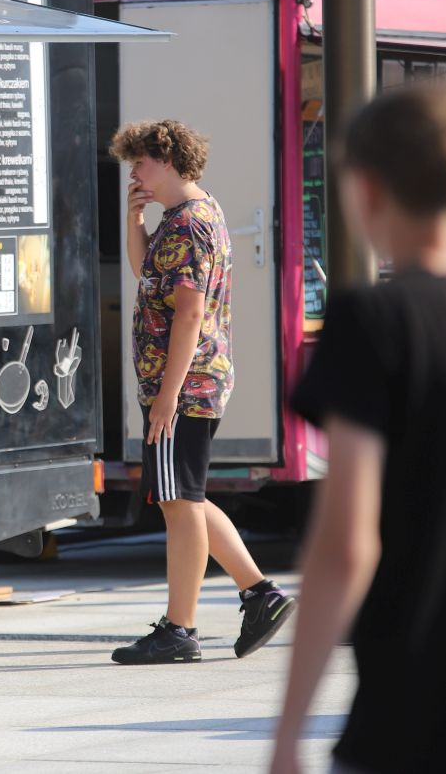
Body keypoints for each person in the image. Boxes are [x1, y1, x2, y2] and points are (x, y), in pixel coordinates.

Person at [273, 84, 446, 774]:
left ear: (366, 190)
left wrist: (287, 736)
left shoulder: (373, 322)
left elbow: (345, 541)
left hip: (412, 714)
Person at [108, 119, 296, 665]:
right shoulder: (186, 216)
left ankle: (179, 627)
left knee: (177, 501)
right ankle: (260, 593)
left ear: (165, 160)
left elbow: (189, 313)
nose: (135, 173)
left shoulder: (190, 224)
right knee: (184, 495)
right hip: (190, 382)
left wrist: (166, 396)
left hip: (183, 385)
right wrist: (134, 218)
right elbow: (147, 273)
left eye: (139, 163)